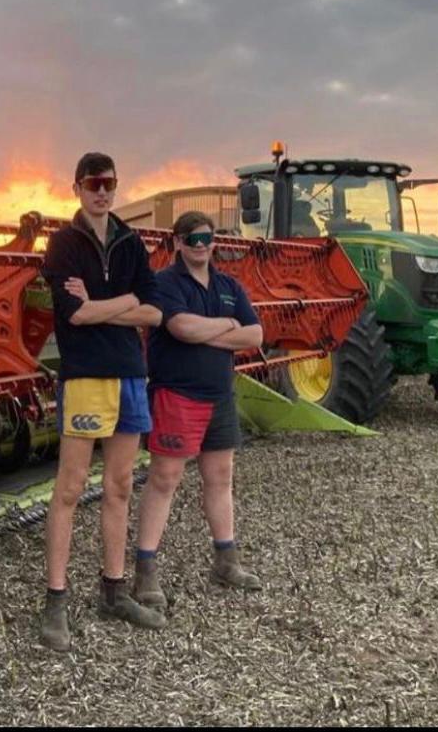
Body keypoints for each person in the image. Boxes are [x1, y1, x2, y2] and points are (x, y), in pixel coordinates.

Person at [39, 152, 165, 651]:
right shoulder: (63, 244)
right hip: (85, 376)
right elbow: (72, 316)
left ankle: (113, 590)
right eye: (93, 183)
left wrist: (101, 306)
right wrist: (125, 305)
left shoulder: (132, 243)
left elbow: (154, 312)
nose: (102, 191)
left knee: (119, 486)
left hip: (130, 376)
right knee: (69, 488)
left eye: (109, 183)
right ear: (77, 187)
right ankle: (55, 601)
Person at [133, 211, 264, 612]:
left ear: (215, 241)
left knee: (220, 476)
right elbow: (180, 329)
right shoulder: (164, 283)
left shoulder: (228, 285)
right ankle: (145, 572)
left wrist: (207, 329)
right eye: (191, 238)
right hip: (177, 394)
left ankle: (226, 561)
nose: (200, 245)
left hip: (220, 395)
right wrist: (226, 326)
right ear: (177, 243)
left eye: (206, 237)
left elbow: (256, 334)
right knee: (165, 478)